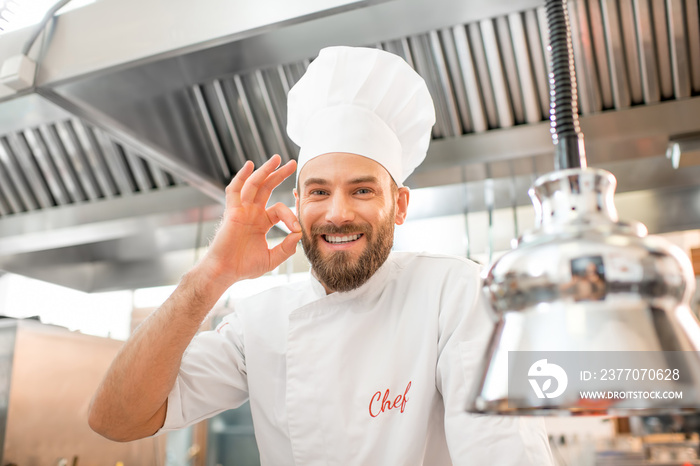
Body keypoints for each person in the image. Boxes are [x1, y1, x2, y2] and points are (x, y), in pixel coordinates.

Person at [88, 46, 554, 465]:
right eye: (318, 191)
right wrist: (210, 275)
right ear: (296, 205)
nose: (337, 213)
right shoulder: (259, 323)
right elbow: (114, 420)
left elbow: (502, 449)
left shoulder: (458, 295)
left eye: (363, 189)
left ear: (401, 206)